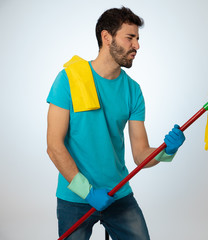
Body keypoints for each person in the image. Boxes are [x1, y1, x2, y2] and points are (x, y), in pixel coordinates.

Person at [46, 6, 185, 240]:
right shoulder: (69, 79)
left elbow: (140, 155)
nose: (137, 46)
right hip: (76, 197)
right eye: (130, 38)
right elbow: (54, 146)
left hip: (118, 194)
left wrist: (166, 151)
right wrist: (87, 193)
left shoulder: (133, 91)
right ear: (106, 37)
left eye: (138, 39)